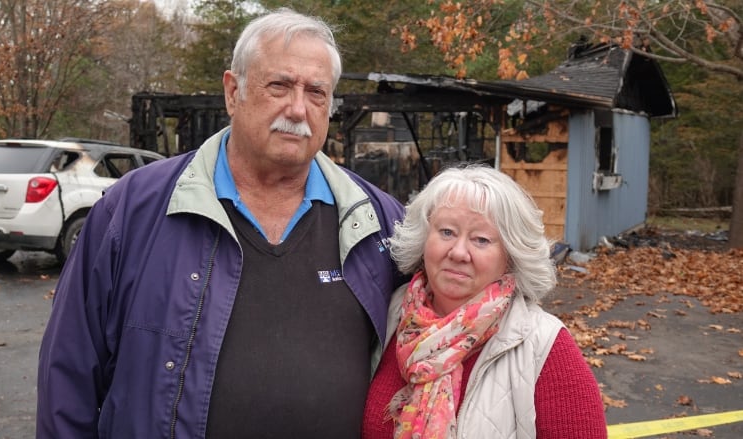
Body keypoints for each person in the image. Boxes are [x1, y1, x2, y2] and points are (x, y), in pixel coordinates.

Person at [36, 8, 406, 438]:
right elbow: (68, 374)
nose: (298, 108)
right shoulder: (135, 210)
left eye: (317, 93)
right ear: (233, 92)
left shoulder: (377, 222)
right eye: (280, 85)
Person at [362, 164, 608, 438]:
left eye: (480, 239)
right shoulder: (389, 314)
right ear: (423, 239)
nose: (458, 252)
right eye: (446, 232)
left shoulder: (544, 346)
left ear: (510, 257)